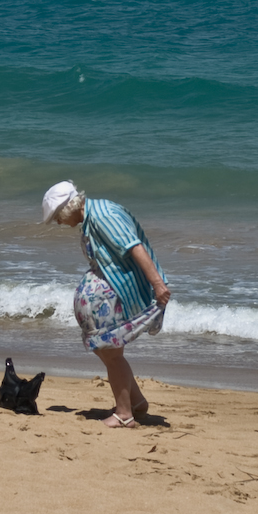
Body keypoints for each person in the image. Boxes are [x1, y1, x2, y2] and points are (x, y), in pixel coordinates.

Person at [42, 180, 171, 428]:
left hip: (124, 291)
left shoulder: (103, 216)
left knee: (112, 353)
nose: (58, 223)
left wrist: (157, 284)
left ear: (69, 208)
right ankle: (136, 402)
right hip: (115, 290)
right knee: (106, 350)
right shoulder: (92, 218)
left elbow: (135, 247)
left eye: (57, 217)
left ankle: (124, 415)